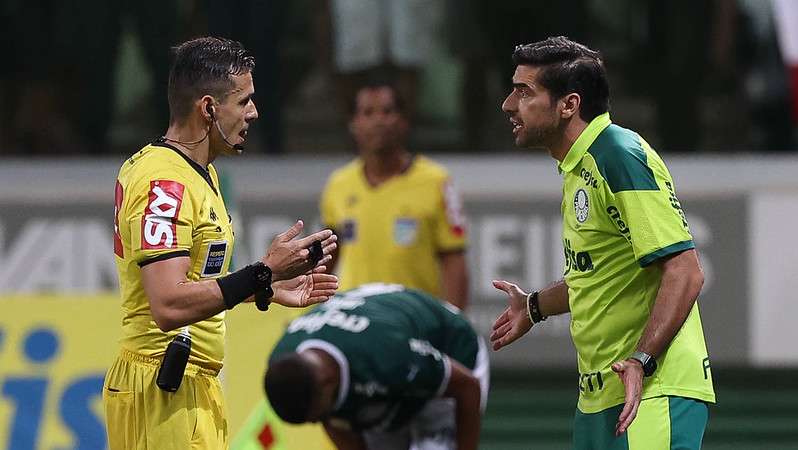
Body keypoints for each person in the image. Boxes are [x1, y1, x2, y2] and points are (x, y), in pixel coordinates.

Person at [103, 37, 339, 449]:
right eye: (244, 101)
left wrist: (266, 288)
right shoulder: (164, 184)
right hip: (160, 392)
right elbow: (168, 304)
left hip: (188, 387)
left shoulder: (198, 173)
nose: (254, 112)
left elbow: (193, 279)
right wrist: (262, 271)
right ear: (209, 108)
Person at [490, 36, 715, 450]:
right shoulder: (577, 167)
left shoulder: (617, 154)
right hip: (599, 397)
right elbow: (600, 275)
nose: (508, 103)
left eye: (524, 91)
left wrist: (641, 360)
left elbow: (684, 270)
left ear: (568, 105)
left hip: (650, 391)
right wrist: (534, 306)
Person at [264, 283, 489, 450]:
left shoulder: (388, 354)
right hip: (383, 380)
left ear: (327, 382)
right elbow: (333, 422)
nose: (317, 422)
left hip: (448, 350)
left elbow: (468, 387)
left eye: (316, 416)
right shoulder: (284, 361)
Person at [320, 81, 469, 309]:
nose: (378, 120)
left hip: (414, 319)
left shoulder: (436, 181)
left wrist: (453, 323)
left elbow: (454, 260)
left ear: (403, 121)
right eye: (368, 113)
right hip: (353, 318)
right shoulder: (338, 184)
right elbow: (328, 258)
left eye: (387, 112)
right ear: (353, 123)